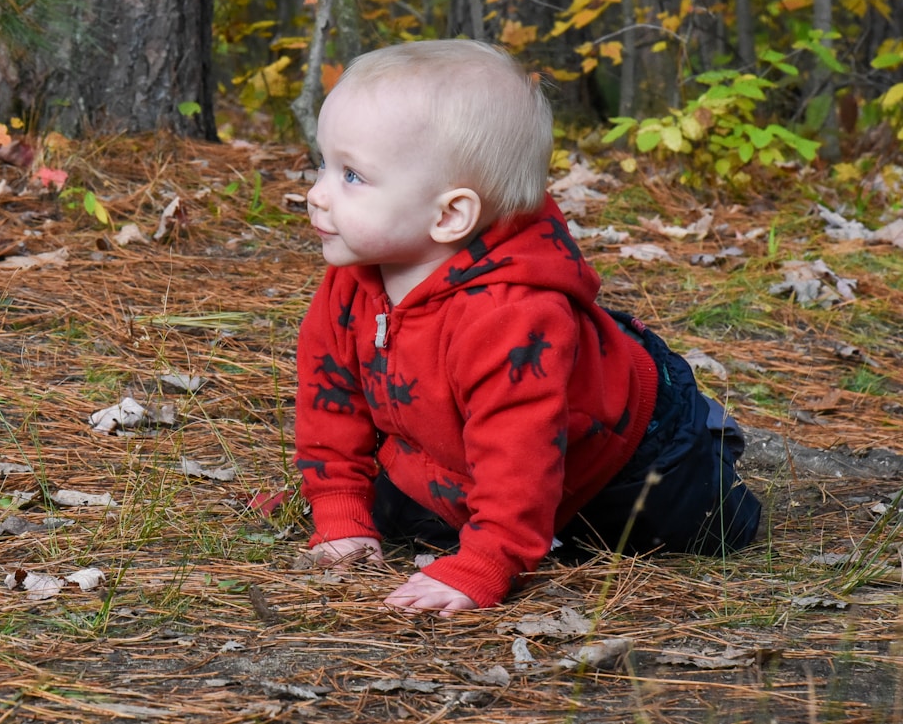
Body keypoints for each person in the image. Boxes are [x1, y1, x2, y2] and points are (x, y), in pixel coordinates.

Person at [293, 40, 760, 613]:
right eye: (322, 164)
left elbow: (521, 453)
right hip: (454, 451)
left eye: (352, 177)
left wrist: (486, 564)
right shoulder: (350, 285)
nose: (316, 194)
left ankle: (712, 448)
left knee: (695, 529)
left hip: (629, 453)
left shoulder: (510, 316)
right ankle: (519, 528)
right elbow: (331, 402)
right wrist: (340, 510)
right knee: (404, 516)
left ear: (449, 215)